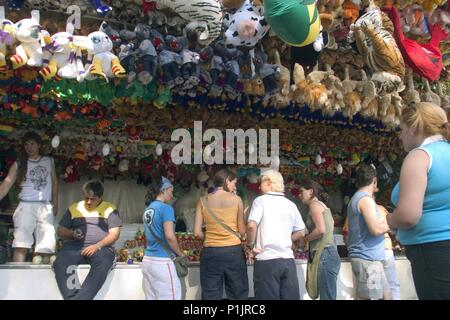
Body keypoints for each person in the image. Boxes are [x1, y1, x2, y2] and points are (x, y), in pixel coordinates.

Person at [388, 102, 450, 300]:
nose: (400, 135)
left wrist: (389, 219)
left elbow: (408, 216)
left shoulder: (420, 156)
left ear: (413, 128)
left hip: (432, 250)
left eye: (402, 130)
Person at [53, 181, 122, 300]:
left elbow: (114, 234)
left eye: (93, 199)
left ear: (100, 197)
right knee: (60, 262)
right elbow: (60, 231)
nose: (89, 202)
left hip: (101, 248)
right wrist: (72, 233)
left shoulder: (110, 209)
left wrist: (97, 246)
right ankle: (73, 297)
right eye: (86, 198)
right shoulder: (74, 208)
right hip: (76, 246)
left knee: (103, 262)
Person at [247, 169, 306, 300]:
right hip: (288, 262)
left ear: (268, 182)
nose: (258, 186)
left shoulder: (260, 201)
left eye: (260, 182)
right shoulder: (291, 205)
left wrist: (251, 245)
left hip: (266, 261)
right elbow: (301, 231)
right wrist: (286, 238)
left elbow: (251, 226)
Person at [0, 131, 58, 262]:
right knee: (21, 244)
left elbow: (54, 182)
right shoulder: (19, 163)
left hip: (45, 205)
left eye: (32, 144)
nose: (29, 147)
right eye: (26, 144)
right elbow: (6, 184)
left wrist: (55, 202)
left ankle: (42, 278)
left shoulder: (49, 161)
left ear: (39, 145)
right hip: (25, 205)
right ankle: (16, 275)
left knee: (46, 246)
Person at [194, 169, 248, 300]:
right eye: (234, 183)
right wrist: (243, 217)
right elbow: (242, 232)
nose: (235, 187)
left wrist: (211, 236)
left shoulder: (202, 201)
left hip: (210, 251)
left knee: (210, 294)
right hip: (233, 252)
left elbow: (197, 233)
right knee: (238, 293)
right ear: (227, 181)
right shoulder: (237, 200)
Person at [347, 164, 391, 300]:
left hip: (370, 259)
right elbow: (376, 229)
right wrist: (390, 223)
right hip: (367, 259)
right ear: (375, 180)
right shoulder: (365, 200)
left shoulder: (358, 198)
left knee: (386, 295)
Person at [142, 176, 184, 300]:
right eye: (171, 192)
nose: (172, 196)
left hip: (148, 261)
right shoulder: (166, 208)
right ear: (164, 190)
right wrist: (179, 253)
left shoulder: (147, 209)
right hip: (162, 262)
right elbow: (170, 236)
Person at [298, 179, 340, 300]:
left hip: (325, 255)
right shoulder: (322, 205)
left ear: (311, 191)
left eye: (302, 191)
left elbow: (321, 229)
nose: (299, 194)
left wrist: (305, 239)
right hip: (328, 253)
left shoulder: (314, 205)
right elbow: (328, 225)